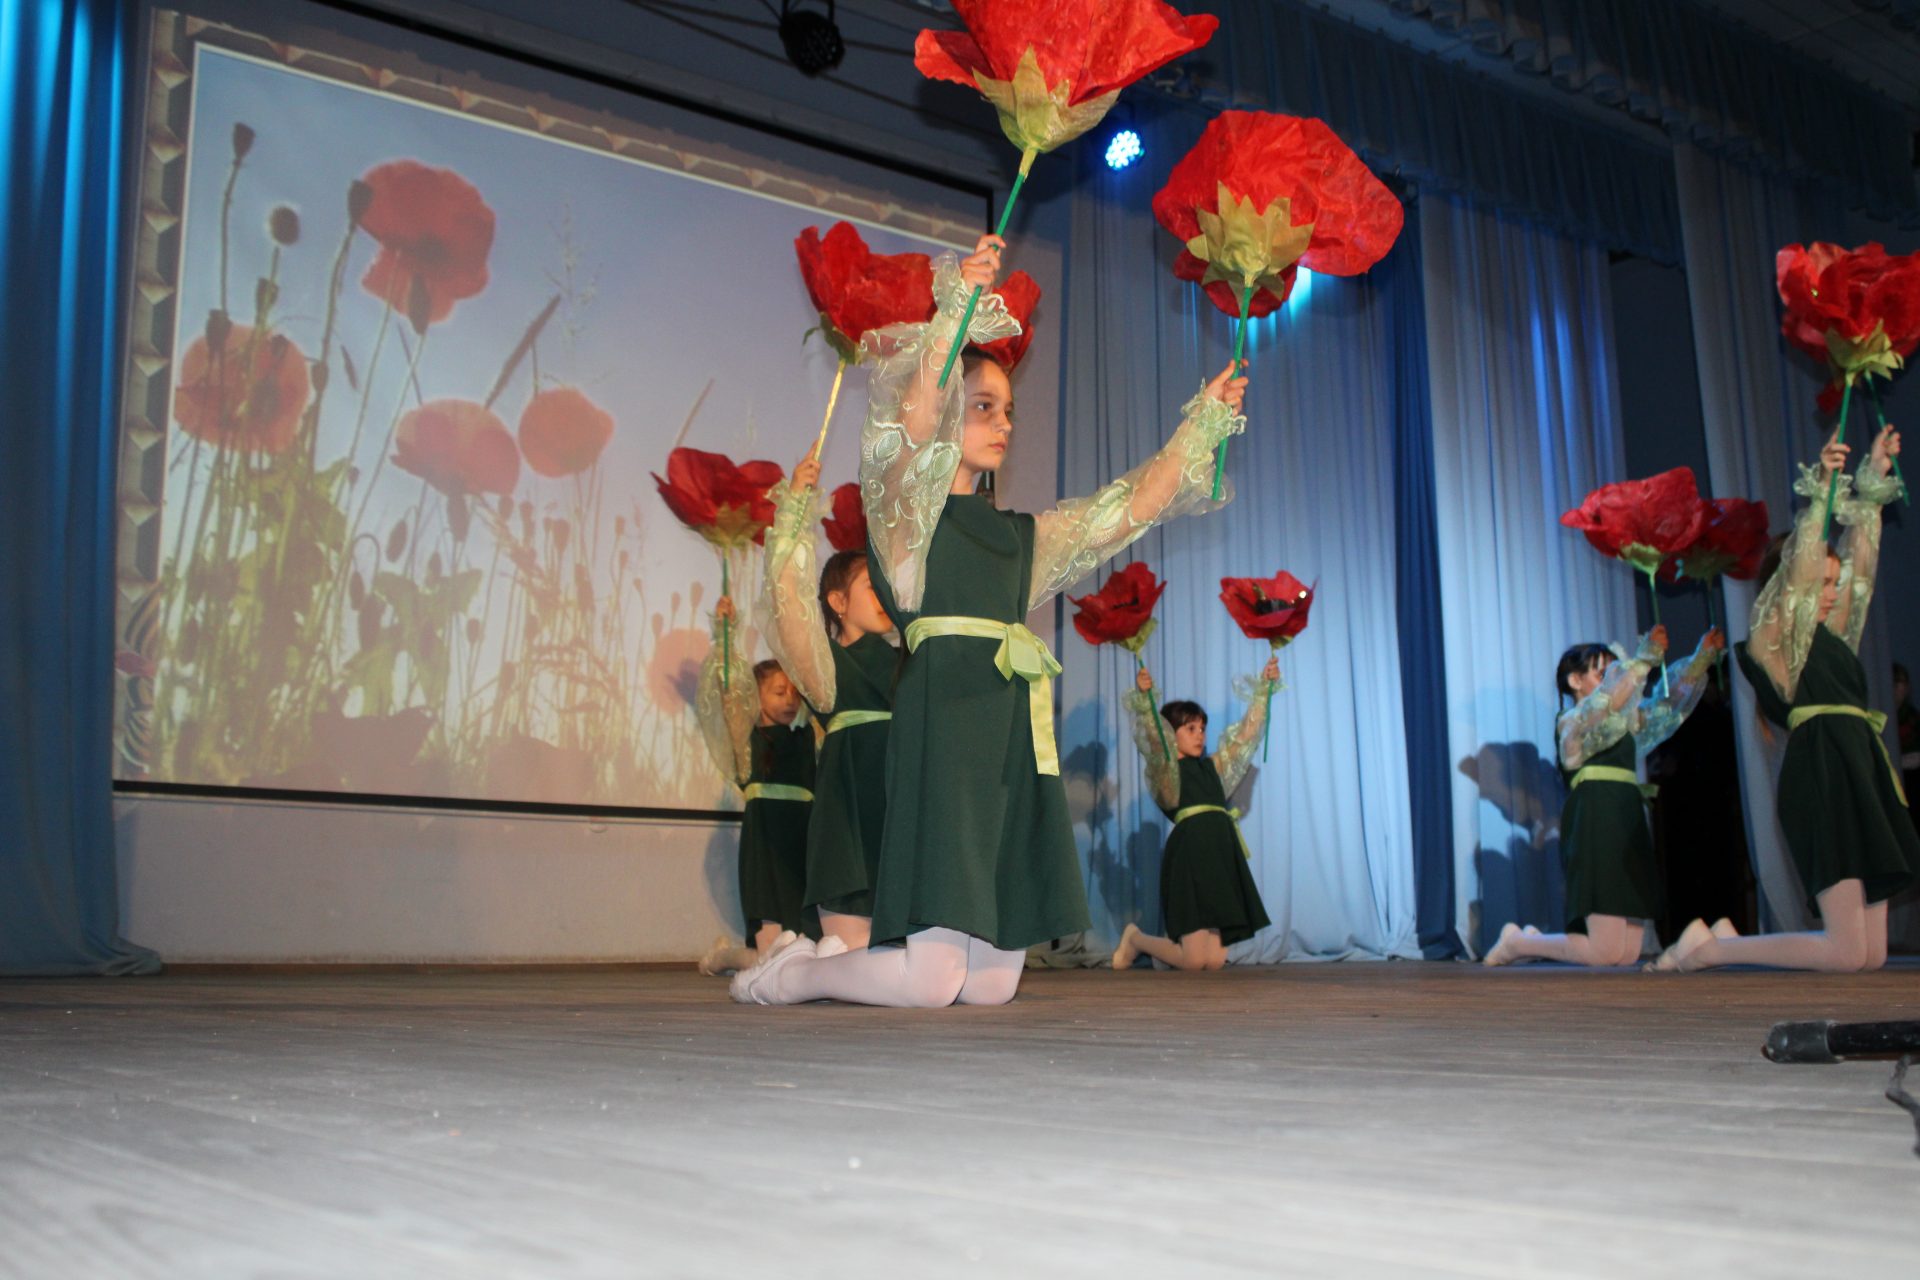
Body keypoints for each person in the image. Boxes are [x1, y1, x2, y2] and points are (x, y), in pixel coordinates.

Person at [732, 234, 1246, 1005]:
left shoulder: (1020, 538)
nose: (1002, 423)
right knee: (932, 983)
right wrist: (955, 316)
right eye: (982, 407)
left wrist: (1201, 425)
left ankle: (815, 967)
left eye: (1007, 410)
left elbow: (1128, 507)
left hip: (1007, 741)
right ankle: (795, 976)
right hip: (941, 733)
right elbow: (911, 425)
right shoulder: (907, 524)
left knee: (992, 988)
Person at [1657, 425, 1916, 973]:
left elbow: (1860, 569)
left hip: (1860, 768)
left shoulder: (1832, 636)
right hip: (1822, 774)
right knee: (1845, 954)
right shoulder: (1774, 644)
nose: (1831, 593)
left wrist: (1873, 481)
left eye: (1832, 582)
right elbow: (1798, 574)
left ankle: (1718, 941)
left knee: (1869, 956)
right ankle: (1714, 949)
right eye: (1821, 583)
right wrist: (1822, 491)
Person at [1482, 624, 1723, 967]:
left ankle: (1525, 941)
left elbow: (1666, 707)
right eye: (1604, 674)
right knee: (1603, 952)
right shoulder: (1573, 722)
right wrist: (1642, 662)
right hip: (1596, 814)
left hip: (1626, 812)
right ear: (1575, 681)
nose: (1615, 680)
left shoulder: (1624, 722)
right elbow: (1601, 711)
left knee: (1626, 955)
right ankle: (1519, 943)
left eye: (1616, 673)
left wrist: (1700, 660)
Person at [759, 453, 898, 952]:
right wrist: (796, 507)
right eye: (870, 587)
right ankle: (777, 975)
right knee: (853, 957)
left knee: (909, 962)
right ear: (837, 602)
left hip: (902, 813)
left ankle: (785, 964)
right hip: (849, 823)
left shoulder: (912, 659)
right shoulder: (824, 665)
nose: (883, 597)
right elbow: (788, 599)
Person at [1110, 658, 1280, 972]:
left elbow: (1246, 735)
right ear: (1171, 733)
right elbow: (1153, 740)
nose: (1200, 735)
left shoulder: (1213, 766)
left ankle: (1160, 952)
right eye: (1190, 728)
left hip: (1220, 852)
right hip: (1191, 853)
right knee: (1193, 962)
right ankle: (1136, 939)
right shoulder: (1167, 771)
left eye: (1202, 728)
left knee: (1213, 962)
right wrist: (1146, 701)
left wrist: (1264, 691)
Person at [694, 610, 818, 976]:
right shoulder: (747, 739)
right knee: (770, 956)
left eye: (794, 693)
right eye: (778, 692)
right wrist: (726, 632)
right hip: (765, 842)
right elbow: (727, 689)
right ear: (756, 697)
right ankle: (723, 957)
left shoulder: (808, 732)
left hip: (801, 841)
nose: (789, 700)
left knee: (800, 947)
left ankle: (737, 957)